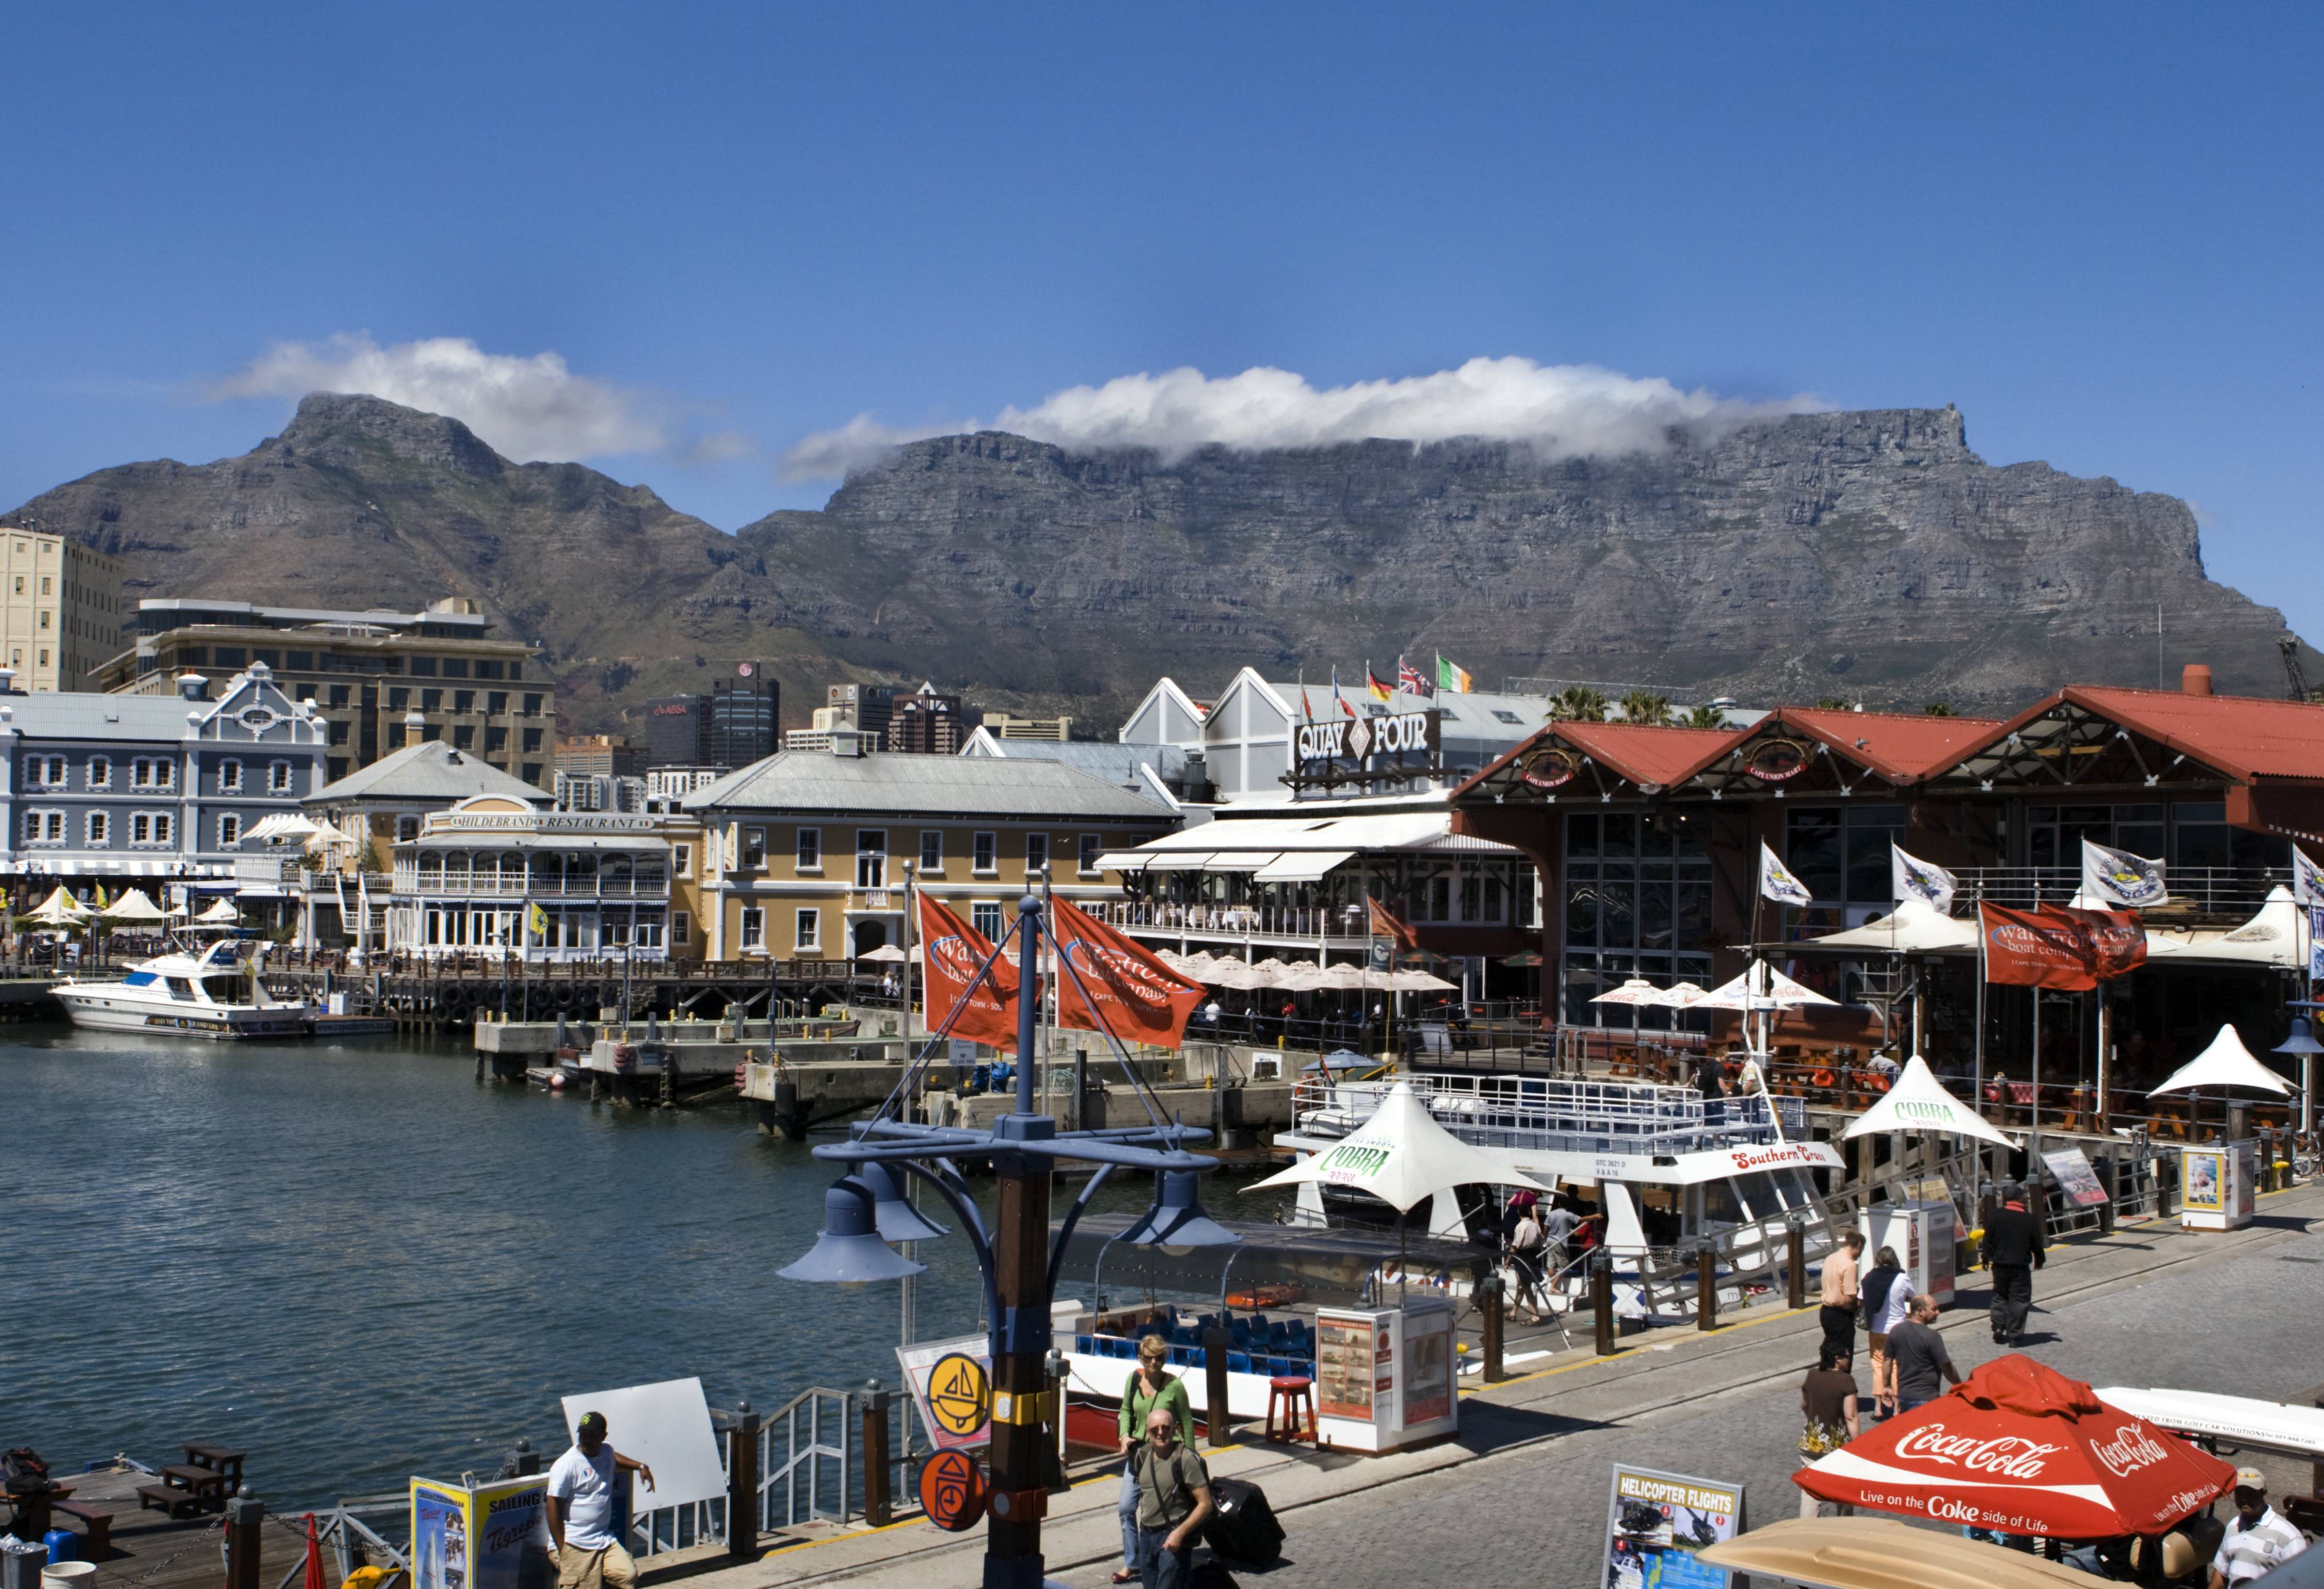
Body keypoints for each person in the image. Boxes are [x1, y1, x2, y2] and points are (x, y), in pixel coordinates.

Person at [1114, 1335, 1194, 1584]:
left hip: (1167, 1456)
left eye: (1160, 1358)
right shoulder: (1133, 1380)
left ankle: (1164, 1554)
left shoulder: (1175, 1387)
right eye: (1149, 1358)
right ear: (1141, 1358)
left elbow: (1187, 1422)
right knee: (1127, 1508)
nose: (1155, 1363)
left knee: (1161, 1509)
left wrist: (1191, 1457)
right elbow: (1126, 1410)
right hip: (1138, 1455)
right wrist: (1124, 1436)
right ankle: (1132, 1562)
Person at [544, 1413, 655, 1589]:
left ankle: (595, 1572)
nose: (586, 1440)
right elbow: (552, 1506)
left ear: (603, 1437)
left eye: (592, 1436)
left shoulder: (606, 1451)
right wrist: (563, 1550)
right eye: (583, 1435)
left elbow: (614, 1456)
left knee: (628, 1576)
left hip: (602, 1539)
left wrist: (640, 1466)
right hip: (574, 1542)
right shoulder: (566, 1465)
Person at [1130, 1407, 1214, 1589]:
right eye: (1155, 1430)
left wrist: (1180, 1533)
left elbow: (1206, 1504)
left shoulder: (1185, 1460)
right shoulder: (1142, 1455)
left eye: (1165, 1428)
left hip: (1171, 1534)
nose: (1160, 1433)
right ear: (1147, 1433)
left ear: (1174, 1428)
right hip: (1146, 1535)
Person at [2211, 1467, 2309, 1585]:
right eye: (2240, 1493)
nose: (2244, 1499)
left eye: (2251, 1494)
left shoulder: (2289, 1536)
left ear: (2264, 1494)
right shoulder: (2233, 1526)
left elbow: (2301, 1581)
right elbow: (2222, 1573)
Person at [1796, 1346, 1862, 1519]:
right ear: (1838, 1358)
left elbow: (1804, 1404)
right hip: (1837, 1447)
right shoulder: (1846, 1381)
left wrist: (1814, 1422)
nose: (1850, 1359)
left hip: (1811, 1443)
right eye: (1848, 1356)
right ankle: (1843, 1529)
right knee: (1844, 1490)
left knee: (1810, 1491)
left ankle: (1806, 1531)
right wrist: (1859, 1446)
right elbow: (1851, 1416)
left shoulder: (1812, 1375)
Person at [1983, 1182, 2046, 1346]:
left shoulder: (1996, 1216)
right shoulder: (2028, 1219)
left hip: (2000, 1265)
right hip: (2019, 1267)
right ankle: (2014, 1336)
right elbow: (2037, 1244)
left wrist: (1985, 1258)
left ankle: (1998, 1326)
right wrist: (2040, 1260)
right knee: (2019, 1300)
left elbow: (1987, 1241)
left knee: (2000, 1295)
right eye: (2023, 1197)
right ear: (2018, 1198)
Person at [1858, 1245, 1913, 1419]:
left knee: (1877, 1365)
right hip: (1897, 1329)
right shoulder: (1902, 1278)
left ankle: (1878, 1408)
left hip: (1876, 1328)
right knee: (1897, 1365)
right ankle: (1897, 1408)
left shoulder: (1870, 1278)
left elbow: (1860, 1300)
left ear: (1879, 1261)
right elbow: (1913, 1296)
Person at [1885, 1294, 1961, 1413]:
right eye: (1934, 1309)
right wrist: (1959, 1385)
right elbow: (1946, 1366)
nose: (1938, 1312)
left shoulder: (1896, 1331)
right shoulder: (1932, 1336)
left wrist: (1887, 1386)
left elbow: (1887, 1361)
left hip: (1904, 1397)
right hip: (1926, 1398)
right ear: (1920, 1311)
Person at [1819, 1230, 1866, 1360]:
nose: (1860, 1254)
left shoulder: (1831, 1258)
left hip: (1826, 1312)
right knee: (1844, 1354)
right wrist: (1858, 1304)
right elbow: (1850, 1296)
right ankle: (1842, 1380)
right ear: (1859, 1246)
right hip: (1840, 1316)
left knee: (1830, 1352)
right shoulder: (1849, 1265)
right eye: (1861, 1250)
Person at [1506, 1196, 1550, 1323]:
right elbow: (1541, 1242)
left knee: (1526, 1287)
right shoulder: (1535, 1226)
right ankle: (1514, 1313)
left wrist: (1508, 1260)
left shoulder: (1521, 1226)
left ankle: (1535, 1316)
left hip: (1522, 1256)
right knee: (1522, 1286)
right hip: (1533, 1256)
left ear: (1519, 1213)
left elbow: (1516, 1245)